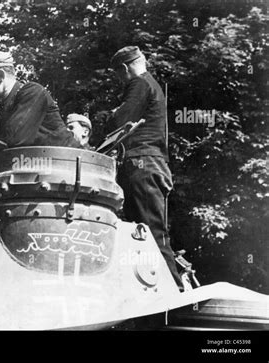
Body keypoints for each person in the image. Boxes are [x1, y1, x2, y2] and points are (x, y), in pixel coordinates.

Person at [108, 46, 183, 289]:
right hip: (151, 166)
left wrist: (115, 113)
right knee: (145, 235)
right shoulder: (152, 85)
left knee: (150, 235)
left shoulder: (139, 84)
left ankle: (175, 294)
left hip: (142, 165)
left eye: (118, 75)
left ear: (124, 68)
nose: (120, 81)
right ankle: (162, 294)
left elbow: (121, 122)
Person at [0, 50, 81, 148]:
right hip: (49, 164)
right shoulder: (6, 105)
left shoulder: (32, 92)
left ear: (1, 76)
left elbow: (15, 141)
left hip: (75, 164)